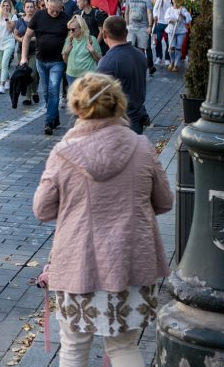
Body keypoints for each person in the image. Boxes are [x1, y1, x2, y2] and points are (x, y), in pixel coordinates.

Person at [33, 73, 173, 367]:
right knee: (123, 346)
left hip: (78, 263)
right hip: (131, 261)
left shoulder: (64, 153)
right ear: (118, 104)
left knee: (73, 347)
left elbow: (42, 209)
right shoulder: (142, 147)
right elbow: (165, 201)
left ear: (76, 107)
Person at [20, 0, 70, 135]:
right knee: (46, 92)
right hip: (41, 60)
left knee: (54, 90)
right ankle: (55, 117)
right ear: (47, 6)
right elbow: (27, 37)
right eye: (52, 10)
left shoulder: (65, 18)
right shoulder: (38, 16)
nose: (55, 13)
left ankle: (49, 122)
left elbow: (72, 36)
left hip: (57, 61)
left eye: (57, 11)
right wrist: (23, 57)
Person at [98, 16, 149, 134]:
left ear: (104, 34)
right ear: (126, 32)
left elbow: (101, 100)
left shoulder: (107, 62)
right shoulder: (140, 54)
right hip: (136, 119)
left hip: (118, 125)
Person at [125, 0, 156, 75]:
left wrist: (150, 26)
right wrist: (126, 25)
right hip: (131, 27)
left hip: (143, 27)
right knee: (130, 46)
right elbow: (126, 12)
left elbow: (150, 13)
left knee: (142, 49)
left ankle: (142, 67)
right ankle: (134, 66)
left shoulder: (146, 0)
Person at [62, 14, 101, 84]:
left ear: (81, 28)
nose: (71, 32)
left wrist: (92, 51)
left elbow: (99, 59)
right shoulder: (69, 40)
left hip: (88, 77)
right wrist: (66, 53)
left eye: (73, 29)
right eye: (69, 29)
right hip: (71, 75)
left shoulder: (91, 39)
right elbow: (65, 61)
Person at [0, 0, 18, 93]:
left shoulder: (13, 16)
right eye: (4, 5)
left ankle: (2, 85)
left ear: (10, 6)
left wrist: (7, 18)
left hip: (9, 42)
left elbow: (11, 28)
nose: (5, 7)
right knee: (1, 65)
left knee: (4, 63)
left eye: (7, 6)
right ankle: (8, 80)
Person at [165, 0, 192, 72]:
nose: (175, 1)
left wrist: (183, 16)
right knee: (172, 47)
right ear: (172, 0)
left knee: (178, 48)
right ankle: (172, 61)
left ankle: (176, 64)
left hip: (181, 31)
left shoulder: (183, 9)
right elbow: (166, 18)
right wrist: (172, 20)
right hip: (171, 30)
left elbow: (189, 19)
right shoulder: (169, 9)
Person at [152, 0, 173, 66]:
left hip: (169, 23)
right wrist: (155, 16)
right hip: (160, 22)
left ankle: (167, 58)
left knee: (168, 42)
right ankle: (159, 57)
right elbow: (155, 9)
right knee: (158, 41)